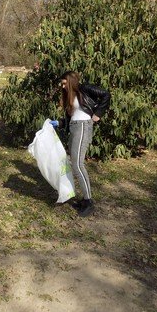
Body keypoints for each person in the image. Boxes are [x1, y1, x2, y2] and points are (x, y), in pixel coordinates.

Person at [51, 71, 110, 217]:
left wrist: (98, 114)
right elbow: (71, 117)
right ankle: (84, 199)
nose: (62, 86)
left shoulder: (85, 89)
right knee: (74, 163)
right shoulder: (69, 96)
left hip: (83, 126)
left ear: (71, 81)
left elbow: (106, 94)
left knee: (78, 164)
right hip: (74, 127)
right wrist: (59, 123)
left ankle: (89, 201)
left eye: (64, 83)